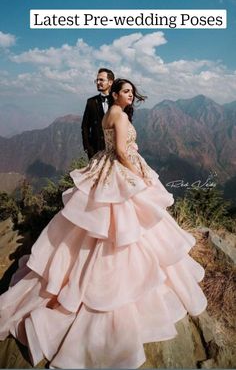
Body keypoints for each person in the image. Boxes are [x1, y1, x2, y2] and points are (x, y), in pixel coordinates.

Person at [0, 78, 207, 369]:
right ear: (114, 94)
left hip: (104, 166)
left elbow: (110, 146)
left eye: (132, 92)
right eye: (125, 92)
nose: (130, 96)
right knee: (128, 227)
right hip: (122, 168)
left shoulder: (109, 112)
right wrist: (140, 175)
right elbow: (122, 150)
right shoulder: (120, 116)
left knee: (98, 224)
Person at [81, 67, 115, 159]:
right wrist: (87, 148)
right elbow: (85, 126)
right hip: (96, 151)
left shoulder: (117, 101)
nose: (98, 82)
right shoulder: (91, 102)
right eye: (97, 80)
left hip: (115, 151)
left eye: (101, 80)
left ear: (110, 82)